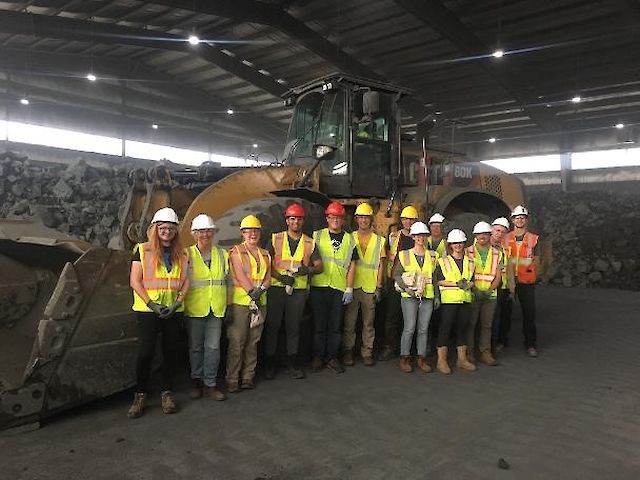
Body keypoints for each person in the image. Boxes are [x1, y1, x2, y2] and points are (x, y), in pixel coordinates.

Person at [128, 207, 189, 418]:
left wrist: (177, 303)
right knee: (146, 352)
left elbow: (186, 280)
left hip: (173, 310)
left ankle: (167, 393)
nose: (167, 232)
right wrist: (152, 304)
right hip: (148, 310)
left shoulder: (183, 253)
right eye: (163, 228)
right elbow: (135, 280)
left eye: (171, 228)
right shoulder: (142, 250)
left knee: (170, 352)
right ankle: (140, 395)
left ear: (176, 230)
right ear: (155, 229)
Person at [264, 203, 322, 380]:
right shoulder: (276, 239)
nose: (295, 222)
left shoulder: (309, 242)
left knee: (293, 328)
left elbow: (319, 267)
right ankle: (269, 364)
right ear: (287, 220)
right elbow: (266, 263)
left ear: (303, 221)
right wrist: (280, 277)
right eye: (292, 219)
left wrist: (307, 270)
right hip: (277, 288)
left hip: (298, 291)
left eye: (298, 219)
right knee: (273, 326)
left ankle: (293, 363)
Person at [183, 214, 228, 401]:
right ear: (194, 234)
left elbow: (229, 281)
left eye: (209, 231)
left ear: (214, 233)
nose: (205, 234)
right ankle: (197, 382)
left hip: (216, 308)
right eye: (201, 231)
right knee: (195, 347)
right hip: (195, 308)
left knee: (213, 348)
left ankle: (210, 384)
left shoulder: (223, 254)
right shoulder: (187, 254)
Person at [310, 201, 356, 374]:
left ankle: (332, 357)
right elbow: (308, 259)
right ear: (327, 218)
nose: (335, 220)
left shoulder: (349, 239)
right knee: (319, 325)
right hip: (319, 286)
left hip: (338, 287)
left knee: (335, 327)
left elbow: (352, 265)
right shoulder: (317, 236)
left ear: (343, 220)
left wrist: (349, 288)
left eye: (338, 217)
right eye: (332, 217)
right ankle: (318, 357)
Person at [226, 214, 271, 392]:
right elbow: (239, 275)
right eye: (248, 231)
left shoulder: (265, 254)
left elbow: (268, 278)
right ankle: (232, 379)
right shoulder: (236, 252)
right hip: (241, 303)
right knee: (237, 342)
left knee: (253, 341)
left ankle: (247, 377)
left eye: (256, 230)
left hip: (260, 303)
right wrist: (253, 292)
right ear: (242, 233)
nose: (253, 234)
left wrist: (261, 290)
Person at [342, 203, 386, 367]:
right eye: (360, 217)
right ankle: (348, 351)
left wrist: (379, 287)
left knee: (368, 324)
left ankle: (367, 352)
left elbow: (381, 265)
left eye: (366, 218)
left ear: (371, 219)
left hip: (370, 287)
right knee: (349, 322)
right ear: (356, 219)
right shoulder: (349, 237)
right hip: (352, 285)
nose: (363, 221)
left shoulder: (379, 240)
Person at [393, 221, 439, 373]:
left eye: (423, 235)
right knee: (409, 328)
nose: (421, 238)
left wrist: (437, 296)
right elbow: (396, 274)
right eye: (418, 235)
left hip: (427, 296)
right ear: (413, 237)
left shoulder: (433, 256)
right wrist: (407, 288)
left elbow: (434, 277)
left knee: (423, 329)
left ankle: (421, 358)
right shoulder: (405, 254)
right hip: (409, 296)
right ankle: (404, 357)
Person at [499, 205, 540, 357]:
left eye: (522, 217)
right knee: (505, 313)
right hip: (508, 281)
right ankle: (502, 341)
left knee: (529, 314)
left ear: (526, 220)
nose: (520, 220)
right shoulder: (505, 239)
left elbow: (537, 261)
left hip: (526, 282)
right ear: (512, 220)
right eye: (517, 218)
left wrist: (534, 275)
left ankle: (530, 344)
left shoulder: (534, 239)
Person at [434, 229, 476, 375]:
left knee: (462, 328)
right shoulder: (443, 261)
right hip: (449, 301)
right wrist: (456, 284)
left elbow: (473, 280)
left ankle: (462, 360)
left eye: (460, 243)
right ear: (450, 245)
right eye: (455, 243)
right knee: (445, 329)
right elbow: (439, 280)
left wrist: (469, 284)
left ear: (464, 244)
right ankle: (441, 361)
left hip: (465, 300)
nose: (458, 245)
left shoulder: (471, 261)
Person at [380, 205, 418, 361]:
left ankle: (408, 349)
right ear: (401, 220)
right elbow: (387, 257)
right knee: (392, 316)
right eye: (405, 219)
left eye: (411, 219)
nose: (408, 222)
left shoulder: (420, 237)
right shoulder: (393, 237)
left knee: (410, 318)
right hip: (395, 281)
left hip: (413, 283)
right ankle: (390, 347)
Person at [466, 221, 502, 367]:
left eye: (486, 234)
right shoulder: (467, 252)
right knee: (471, 324)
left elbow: (499, 275)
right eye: (480, 234)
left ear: (489, 235)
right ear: (475, 235)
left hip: (490, 296)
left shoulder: (497, 253)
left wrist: (489, 290)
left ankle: (485, 352)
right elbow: (465, 274)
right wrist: (475, 289)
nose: (482, 237)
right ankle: (469, 352)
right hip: (473, 294)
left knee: (487, 325)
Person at [490, 217, 513, 353]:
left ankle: (500, 341)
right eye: (497, 230)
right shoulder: (479, 246)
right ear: (491, 229)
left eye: (503, 232)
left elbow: (509, 270)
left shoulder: (506, 249)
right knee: (488, 318)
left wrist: (511, 288)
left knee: (502, 316)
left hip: (503, 286)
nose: (499, 234)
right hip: (487, 285)